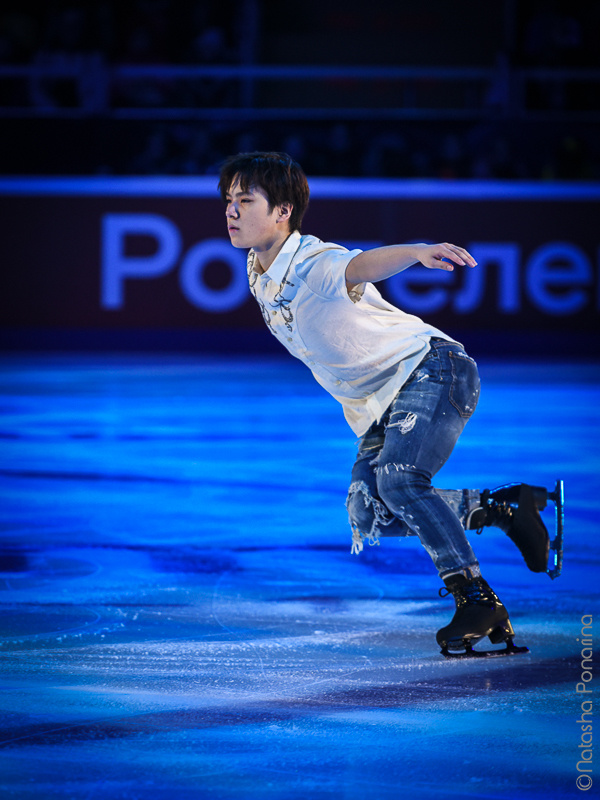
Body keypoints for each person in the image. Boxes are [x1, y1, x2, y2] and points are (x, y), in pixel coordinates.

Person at [218, 151, 557, 658]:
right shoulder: (257, 269)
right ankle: (504, 508)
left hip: (432, 370)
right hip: (380, 399)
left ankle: (477, 597)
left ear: (283, 211)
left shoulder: (311, 261)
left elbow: (358, 264)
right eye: (228, 200)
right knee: (369, 512)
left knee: (400, 479)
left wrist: (418, 251)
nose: (231, 211)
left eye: (246, 200)